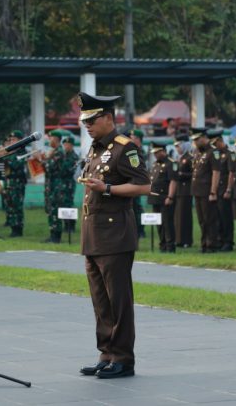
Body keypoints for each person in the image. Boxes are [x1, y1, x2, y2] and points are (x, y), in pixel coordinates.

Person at [76, 92, 150, 379]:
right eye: (85, 121)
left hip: (115, 234)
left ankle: (123, 358)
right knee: (100, 299)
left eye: (92, 120)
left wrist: (107, 189)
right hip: (94, 234)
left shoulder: (125, 148)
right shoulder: (96, 148)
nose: (87, 125)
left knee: (118, 299)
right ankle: (106, 353)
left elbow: (143, 186)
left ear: (108, 118)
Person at [191, 128, 222, 253]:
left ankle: (212, 244)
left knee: (210, 219)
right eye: (194, 140)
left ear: (204, 138)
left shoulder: (213, 152)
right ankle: (204, 243)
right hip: (198, 191)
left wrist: (213, 191)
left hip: (207, 191)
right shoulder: (199, 153)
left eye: (197, 139)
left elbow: (216, 172)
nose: (195, 142)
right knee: (202, 220)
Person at [149, 141, 177, 252]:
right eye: (154, 153)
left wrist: (170, 196)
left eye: (157, 152)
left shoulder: (171, 163)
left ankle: (170, 245)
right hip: (155, 198)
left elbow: (173, 181)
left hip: (165, 197)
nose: (155, 155)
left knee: (167, 222)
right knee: (159, 224)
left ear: (163, 151)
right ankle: (163, 244)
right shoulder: (155, 164)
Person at [211, 130, 236, 252]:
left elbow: (231, 173)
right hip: (217, 190)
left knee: (226, 216)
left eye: (215, 143)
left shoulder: (230, 154)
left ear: (220, 141)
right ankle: (219, 239)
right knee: (217, 216)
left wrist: (229, 189)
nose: (214, 146)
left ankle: (228, 241)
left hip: (224, 189)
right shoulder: (215, 154)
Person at [40, 130, 66, 243]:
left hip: (56, 186)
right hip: (50, 185)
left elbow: (50, 168)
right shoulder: (53, 151)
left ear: (56, 139)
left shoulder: (59, 152)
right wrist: (45, 158)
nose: (49, 140)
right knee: (51, 211)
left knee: (55, 211)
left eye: (51, 138)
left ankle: (56, 237)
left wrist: (41, 160)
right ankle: (52, 234)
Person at [1, 130, 28, 237]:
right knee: (10, 206)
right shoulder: (10, 152)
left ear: (20, 140)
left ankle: (18, 229)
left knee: (17, 206)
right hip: (9, 182)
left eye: (14, 139)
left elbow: (16, 165)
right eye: (10, 140)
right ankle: (12, 227)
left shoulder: (22, 152)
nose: (11, 141)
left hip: (18, 183)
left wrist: (5, 156)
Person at [173, 134, 194, 248]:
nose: (177, 148)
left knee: (185, 216)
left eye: (179, 145)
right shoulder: (179, 158)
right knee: (178, 216)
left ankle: (186, 240)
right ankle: (179, 239)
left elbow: (193, 174)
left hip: (186, 190)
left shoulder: (190, 158)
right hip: (179, 190)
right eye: (176, 146)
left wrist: (182, 174)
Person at [129, 129, 147, 239]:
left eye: (132, 137)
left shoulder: (140, 152)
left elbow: (136, 168)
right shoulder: (134, 150)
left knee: (137, 207)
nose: (131, 139)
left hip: (137, 182)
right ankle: (135, 228)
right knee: (133, 206)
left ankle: (140, 230)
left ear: (138, 139)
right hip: (132, 182)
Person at [61, 136, 80, 233]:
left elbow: (67, 169)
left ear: (72, 145)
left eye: (68, 144)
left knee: (68, 203)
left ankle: (70, 226)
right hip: (62, 183)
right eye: (64, 144)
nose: (66, 146)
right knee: (63, 204)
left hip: (69, 183)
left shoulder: (74, 156)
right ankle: (65, 224)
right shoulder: (63, 155)